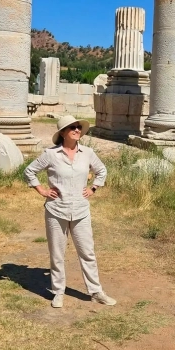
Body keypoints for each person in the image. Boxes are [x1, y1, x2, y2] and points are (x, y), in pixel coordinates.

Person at [24, 115, 117, 309]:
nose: (77, 130)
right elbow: (29, 171)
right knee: (57, 254)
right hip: (56, 210)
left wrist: (93, 188)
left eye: (78, 127)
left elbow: (102, 170)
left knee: (87, 252)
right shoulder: (51, 154)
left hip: (81, 210)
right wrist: (41, 190)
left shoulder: (88, 153)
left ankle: (96, 291)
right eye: (72, 127)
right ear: (63, 133)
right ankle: (58, 292)